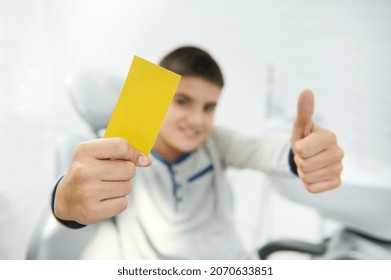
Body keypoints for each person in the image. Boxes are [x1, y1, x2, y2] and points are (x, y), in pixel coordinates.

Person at [52, 46, 344, 259]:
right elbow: (81, 187)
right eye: (182, 101)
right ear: (157, 98)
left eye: (209, 107)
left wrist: (300, 154)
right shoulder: (122, 149)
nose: (196, 120)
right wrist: (66, 200)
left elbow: (259, 149)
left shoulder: (216, 143)